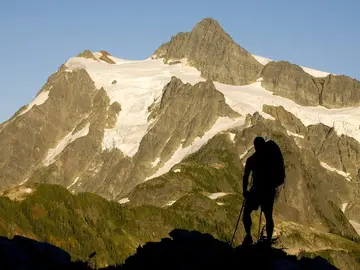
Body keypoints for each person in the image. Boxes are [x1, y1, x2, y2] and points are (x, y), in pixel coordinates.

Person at [242, 137, 281, 246]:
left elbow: (245, 176)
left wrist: (245, 191)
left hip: (256, 191)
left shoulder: (252, 160)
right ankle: (268, 239)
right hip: (268, 191)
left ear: (254, 146)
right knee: (268, 216)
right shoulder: (270, 159)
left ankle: (248, 236)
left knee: (246, 213)